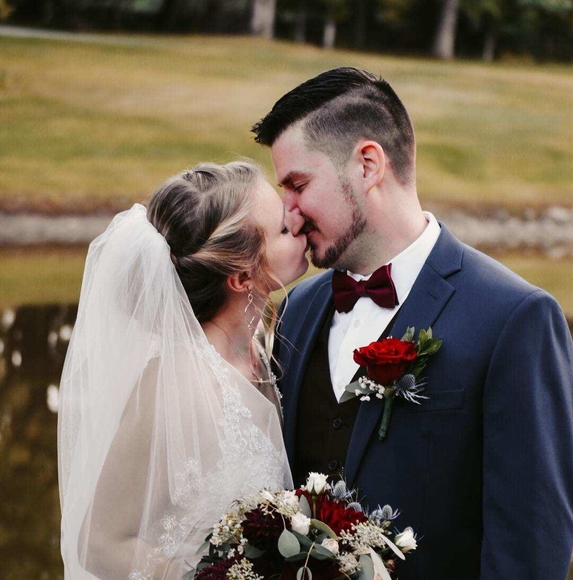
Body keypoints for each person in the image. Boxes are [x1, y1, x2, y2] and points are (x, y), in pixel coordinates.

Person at [251, 67, 573, 579]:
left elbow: (530, 546)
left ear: (368, 165)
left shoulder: (515, 318)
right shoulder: (298, 308)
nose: (287, 215)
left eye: (298, 185)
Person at [57, 161, 308, 579]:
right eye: (283, 228)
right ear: (242, 276)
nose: (298, 220)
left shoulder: (258, 350)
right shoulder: (174, 387)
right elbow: (97, 541)